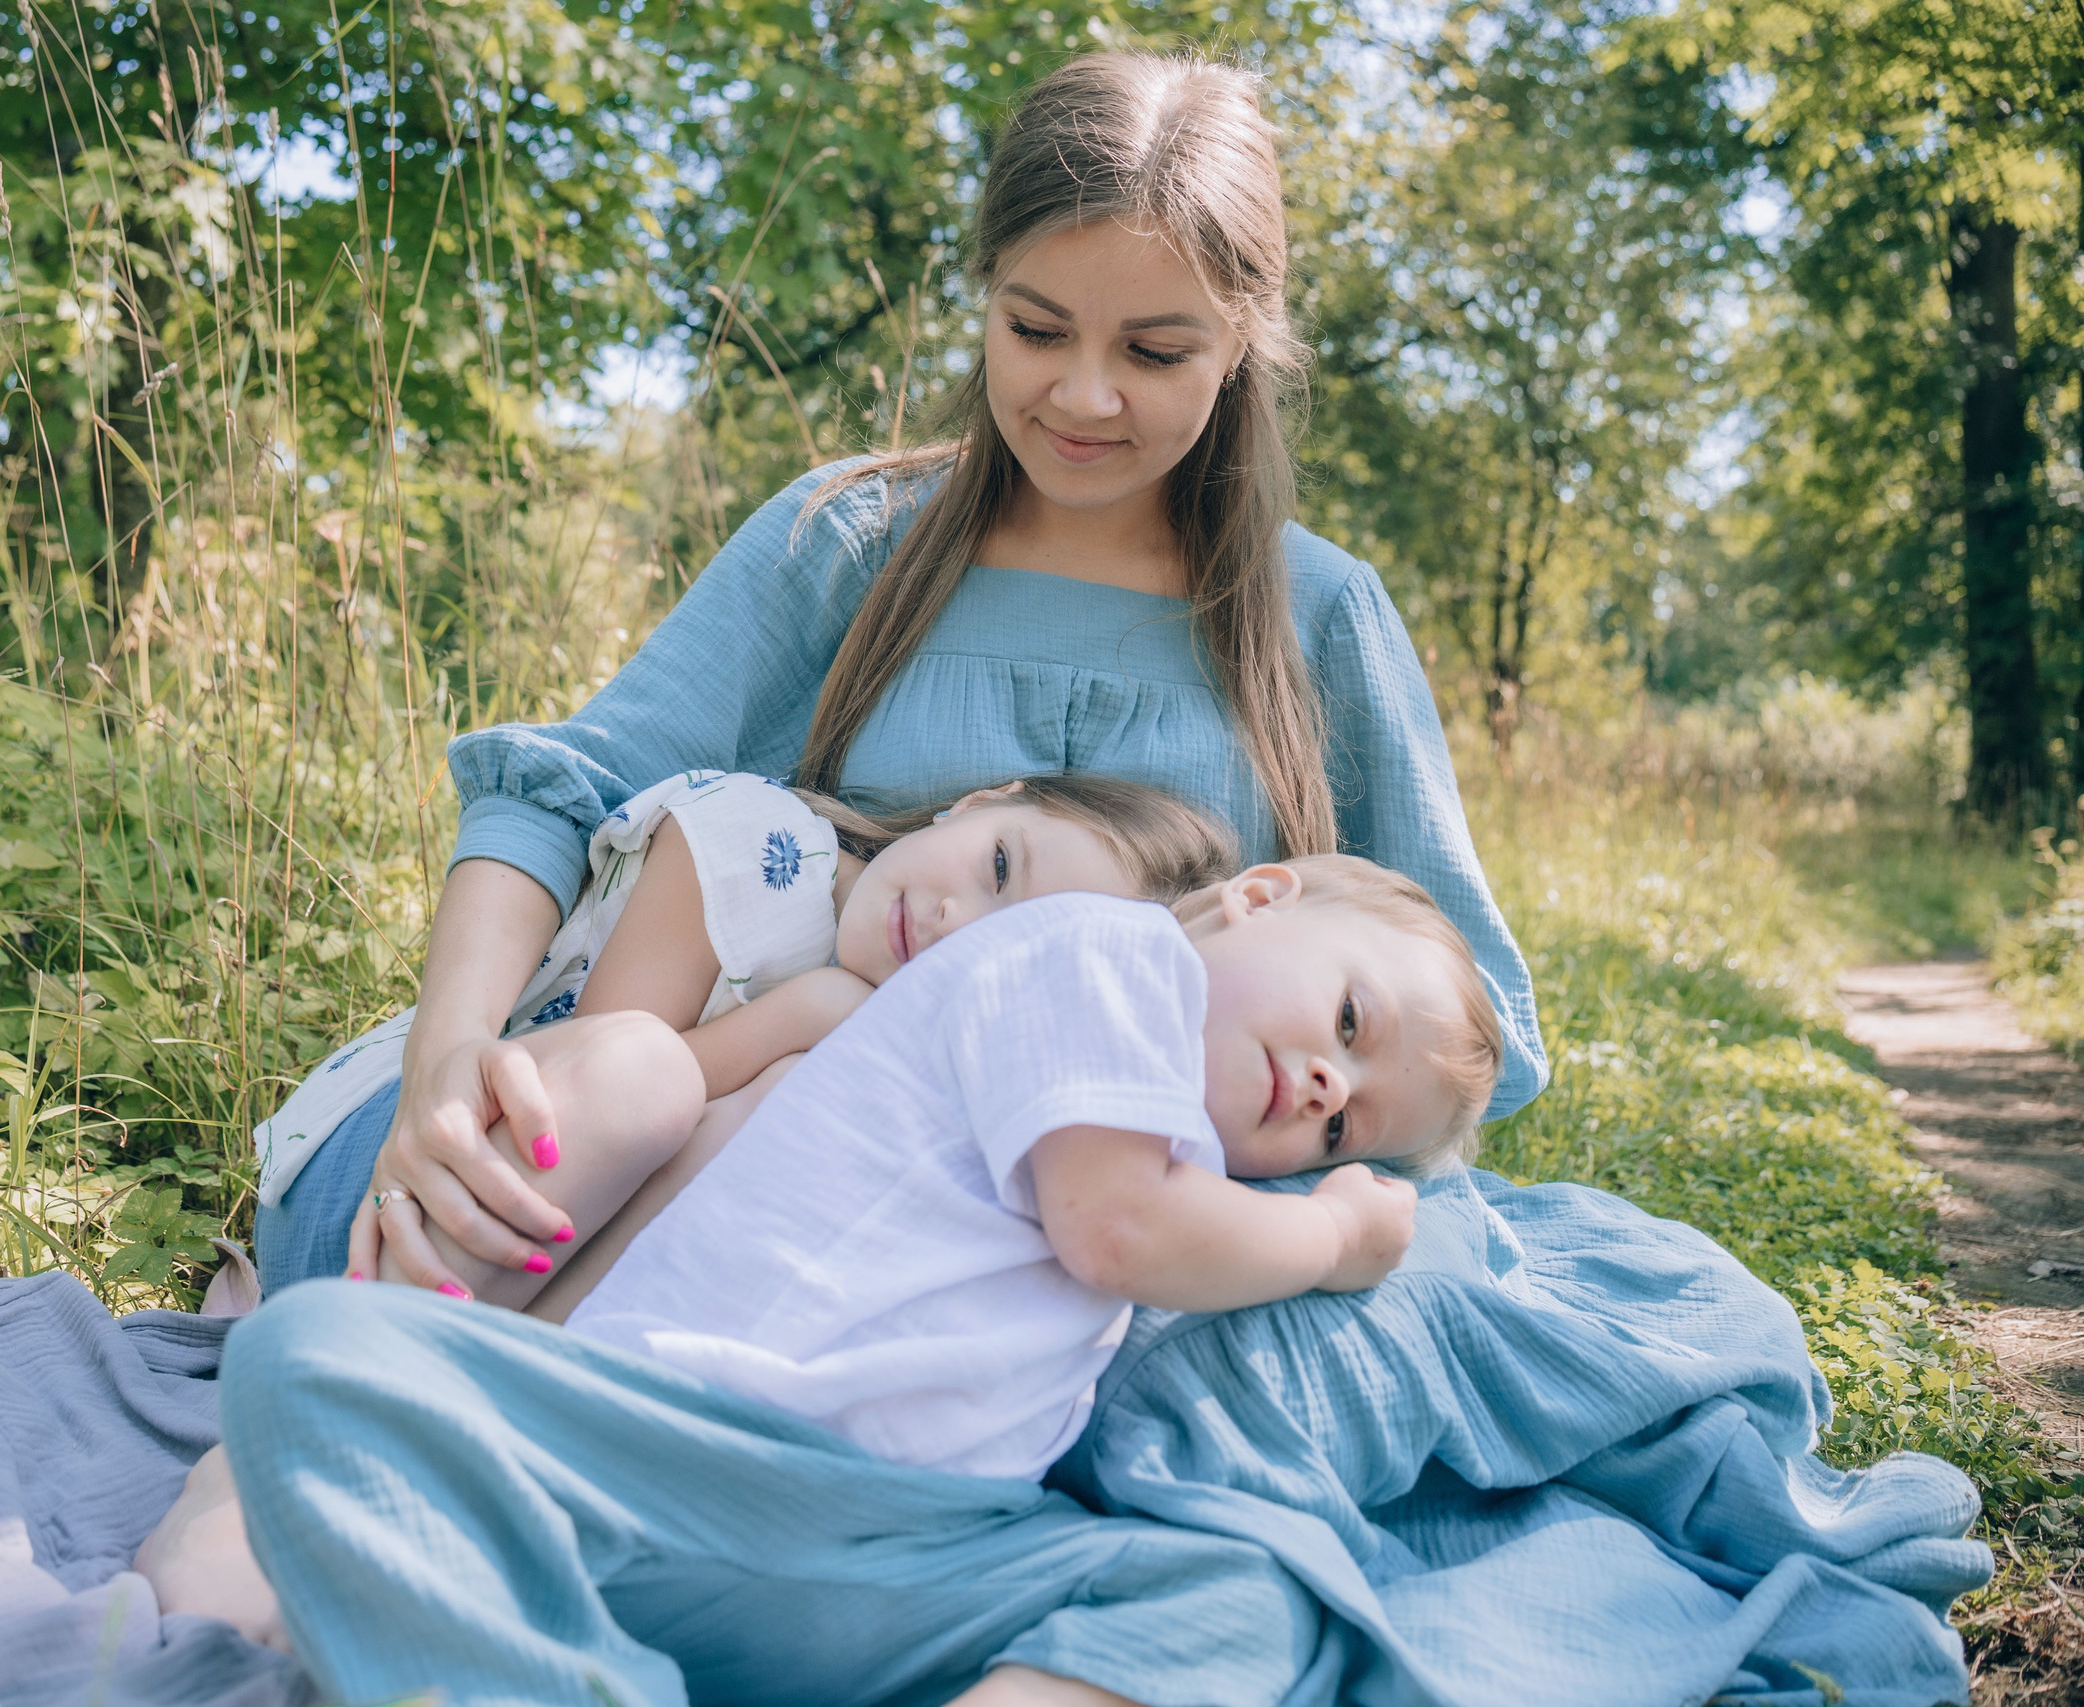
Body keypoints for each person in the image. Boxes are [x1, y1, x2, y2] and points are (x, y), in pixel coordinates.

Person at [235, 47, 1556, 1707]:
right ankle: (447, 1455)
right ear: (979, 295)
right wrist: (448, 1065)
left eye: (1156, 351)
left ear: (1247, 343)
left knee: (1319, 1413)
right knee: (612, 1158)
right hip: (669, 1158)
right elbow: (551, 795)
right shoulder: (851, 539)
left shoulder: (1316, 619)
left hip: (1039, 1256)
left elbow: (1461, 1031)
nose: (1085, 396)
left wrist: (1265, 1197)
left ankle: (534, 1538)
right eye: (1035, 327)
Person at [163, 857, 1502, 1685]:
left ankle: (528, 1655)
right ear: (1257, 896)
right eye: (1348, 1020)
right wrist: (1336, 1233)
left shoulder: (1189, 1167)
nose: (1325, 1088)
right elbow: (1115, 1229)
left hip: (897, 1543)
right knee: (313, 1354)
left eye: (1345, 1127)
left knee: (1248, 1592)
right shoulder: (1104, 956)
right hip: (665, 1444)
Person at [333, 767, 1242, 1303]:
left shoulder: (895, 1043)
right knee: (658, 1075)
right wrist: (803, 1016)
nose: (951, 921)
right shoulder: (755, 846)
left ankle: (488, 1394)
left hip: (521, 1265)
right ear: (978, 801)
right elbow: (591, 1079)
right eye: (999, 866)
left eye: (995, 954)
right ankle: (385, 1360)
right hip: (410, 1161)